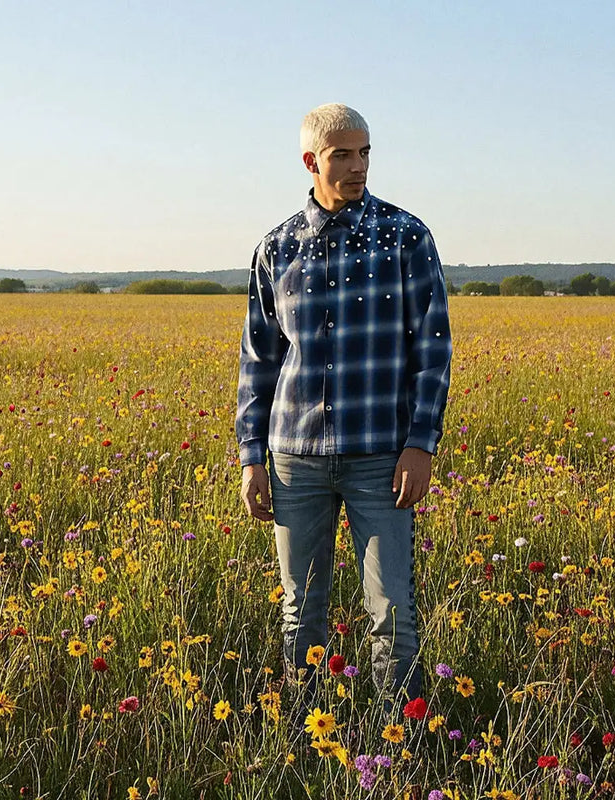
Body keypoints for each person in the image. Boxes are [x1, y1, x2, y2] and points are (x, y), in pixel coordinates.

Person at [235, 103, 452, 705]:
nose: (358, 167)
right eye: (342, 155)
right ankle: (306, 739)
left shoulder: (406, 237)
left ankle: (397, 743)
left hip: (380, 457)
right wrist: (252, 456)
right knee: (299, 610)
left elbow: (432, 351)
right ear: (311, 161)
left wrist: (419, 444)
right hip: (294, 459)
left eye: (365, 153)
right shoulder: (275, 249)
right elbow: (260, 360)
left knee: (392, 612)